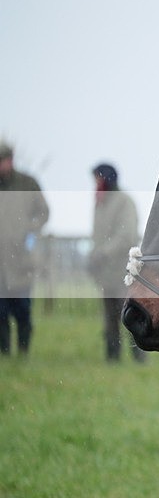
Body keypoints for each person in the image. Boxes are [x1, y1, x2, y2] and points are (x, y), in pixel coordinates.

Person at [89, 163, 146, 363]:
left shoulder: (124, 201)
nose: (95, 183)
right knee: (110, 319)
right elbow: (98, 236)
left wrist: (103, 253)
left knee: (130, 316)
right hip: (106, 273)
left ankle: (140, 357)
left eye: (97, 178)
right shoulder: (101, 201)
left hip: (124, 271)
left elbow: (126, 235)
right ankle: (113, 359)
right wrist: (94, 256)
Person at [0, 141, 49, 356]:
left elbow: (43, 212)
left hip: (21, 260)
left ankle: (23, 351)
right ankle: (4, 352)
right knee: (0, 312)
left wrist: (30, 229)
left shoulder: (28, 183)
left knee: (22, 309)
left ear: (10, 160)